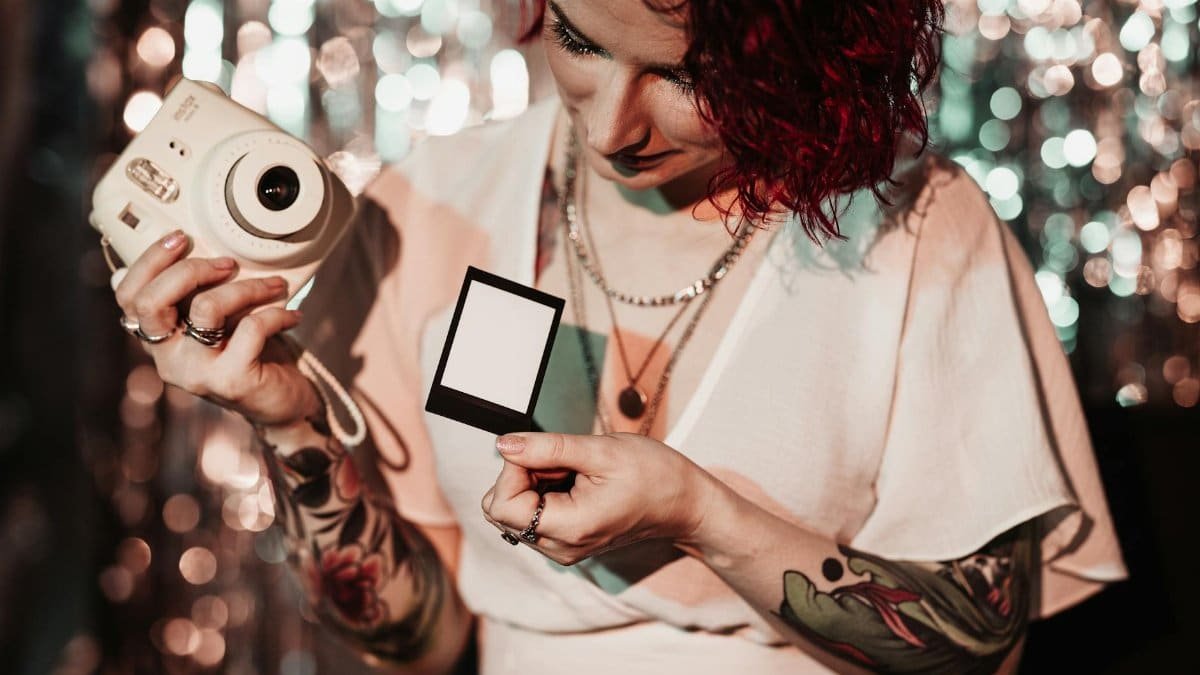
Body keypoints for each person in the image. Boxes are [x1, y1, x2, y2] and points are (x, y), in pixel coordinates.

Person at [109, 0, 1127, 672]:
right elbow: (420, 638)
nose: (609, 127)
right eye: (583, 43)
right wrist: (289, 423)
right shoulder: (440, 201)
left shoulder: (918, 226)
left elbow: (981, 643)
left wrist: (699, 512)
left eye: (690, 77)